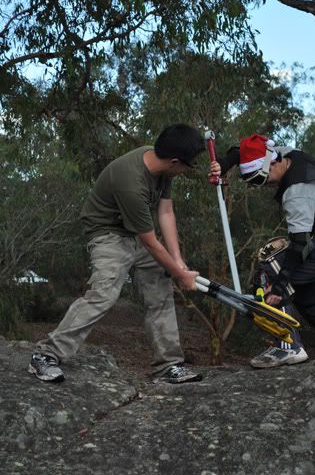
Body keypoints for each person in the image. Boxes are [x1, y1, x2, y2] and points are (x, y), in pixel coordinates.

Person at [29, 124, 205, 384]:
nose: (187, 171)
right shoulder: (131, 182)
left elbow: (166, 213)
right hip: (107, 233)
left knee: (159, 289)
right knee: (105, 293)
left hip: (135, 233)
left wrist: (178, 262)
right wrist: (182, 276)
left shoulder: (162, 167)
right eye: (189, 166)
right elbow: (151, 242)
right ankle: (45, 355)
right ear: (175, 162)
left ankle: (168, 366)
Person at [209, 133, 315, 368]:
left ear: (270, 163)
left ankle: (289, 346)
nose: (264, 185)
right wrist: (224, 163)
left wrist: (280, 286)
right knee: (306, 297)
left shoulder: (297, 192)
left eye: (260, 180)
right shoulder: (286, 154)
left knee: (271, 268)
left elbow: (298, 246)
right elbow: (244, 148)